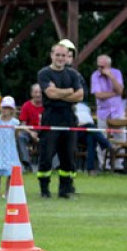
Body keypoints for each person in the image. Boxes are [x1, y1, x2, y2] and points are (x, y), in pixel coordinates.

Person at [36, 42, 85, 198]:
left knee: (68, 156)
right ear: (51, 55)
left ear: (67, 57)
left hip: (68, 117)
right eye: (57, 54)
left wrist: (61, 93)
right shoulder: (44, 73)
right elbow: (50, 94)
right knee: (46, 155)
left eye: (63, 55)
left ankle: (64, 189)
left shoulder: (73, 74)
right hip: (51, 116)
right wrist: (70, 91)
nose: (60, 58)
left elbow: (80, 95)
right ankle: (44, 190)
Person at [90, 54, 125, 170]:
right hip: (103, 112)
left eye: (103, 67)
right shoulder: (95, 76)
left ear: (109, 66)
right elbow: (99, 95)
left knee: (120, 137)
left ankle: (119, 165)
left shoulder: (116, 73)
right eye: (99, 66)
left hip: (117, 111)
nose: (100, 69)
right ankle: (103, 165)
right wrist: (114, 93)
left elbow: (120, 90)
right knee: (102, 138)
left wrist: (111, 76)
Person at [0, 96, 25, 198]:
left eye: (7, 108)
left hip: (10, 149)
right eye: (3, 108)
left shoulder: (15, 122)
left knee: (10, 173)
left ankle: (8, 192)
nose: (4, 110)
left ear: (11, 110)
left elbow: (16, 136)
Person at [75, 99, 112, 175]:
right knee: (91, 126)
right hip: (76, 131)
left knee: (91, 138)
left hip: (87, 131)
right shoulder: (70, 105)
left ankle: (90, 168)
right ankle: (105, 143)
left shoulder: (86, 107)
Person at [17, 83, 43, 172]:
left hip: (44, 131)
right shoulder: (26, 105)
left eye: (40, 92)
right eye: (36, 92)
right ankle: (26, 163)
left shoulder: (47, 106)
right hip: (29, 131)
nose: (38, 95)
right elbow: (22, 124)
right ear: (32, 94)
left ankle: (52, 166)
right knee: (20, 136)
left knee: (54, 136)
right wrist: (31, 133)